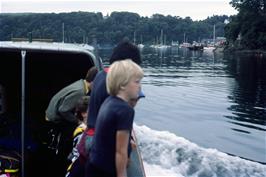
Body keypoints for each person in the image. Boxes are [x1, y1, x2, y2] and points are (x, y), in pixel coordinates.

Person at [85, 59, 144, 177]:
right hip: (106, 171)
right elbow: (120, 152)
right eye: (137, 82)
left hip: (94, 165)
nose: (140, 86)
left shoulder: (109, 101)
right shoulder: (125, 110)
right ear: (122, 85)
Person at [45, 66, 97, 171]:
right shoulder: (80, 92)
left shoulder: (81, 84)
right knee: (75, 133)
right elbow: (63, 110)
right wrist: (78, 122)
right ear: (93, 82)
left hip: (57, 113)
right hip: (54, 119)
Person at [65, 96, 89, 177]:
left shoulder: (89, 128)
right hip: (77, 170)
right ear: (84, 113)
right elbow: (79, 155)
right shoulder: (81, 131)